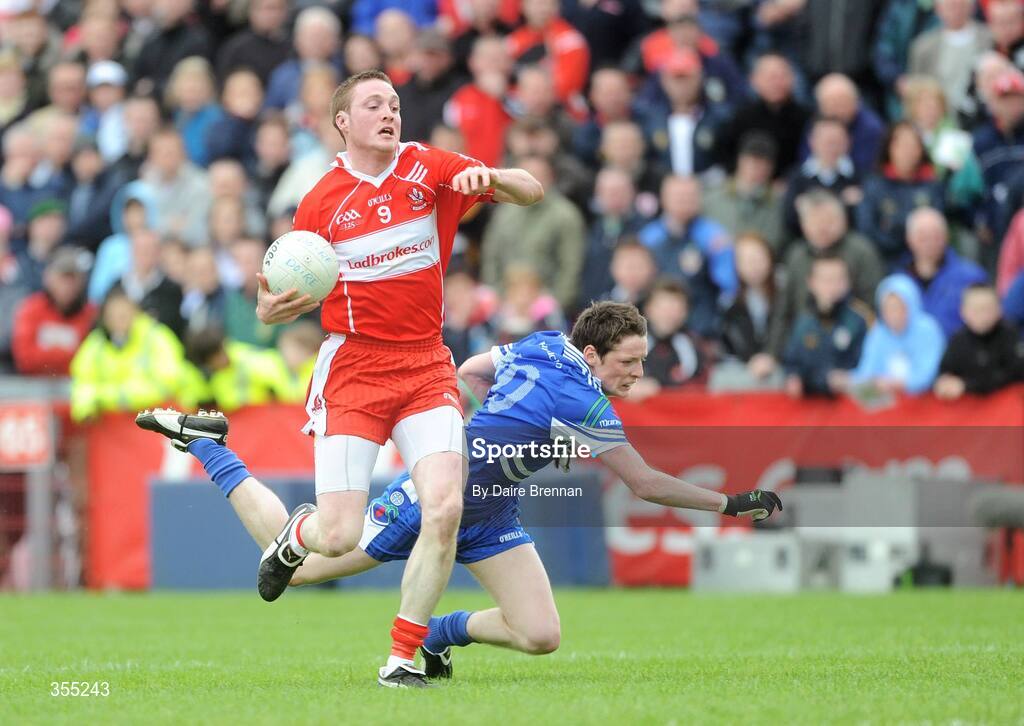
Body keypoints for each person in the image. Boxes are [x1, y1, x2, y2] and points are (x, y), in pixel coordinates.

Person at [136, 301, 782, 681]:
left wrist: (500, 433)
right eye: (627, 364)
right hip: (436, 498)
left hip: (490, 510)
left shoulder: (548, 344)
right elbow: (644, 483)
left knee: (541, 635)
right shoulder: (583, 400)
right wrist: (730, 504)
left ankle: (440, 633)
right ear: (591, 356)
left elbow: (473, 369)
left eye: (641, 363)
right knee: (298, 569)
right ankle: (208, 445)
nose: (637, 375)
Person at [252, 69, 543, 688]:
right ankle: (294, 536)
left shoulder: (429, 166)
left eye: (395, 103)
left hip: (424, 367)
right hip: (354, 369)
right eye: (374, 104)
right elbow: (284, 288)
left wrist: (489, 177)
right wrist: (270, 308)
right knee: (338, 536)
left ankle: (401, 659)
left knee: (443, 508)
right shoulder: (321, 200)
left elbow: (532, 188)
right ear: (343, 122)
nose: (390, 113)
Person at [69, 286, 186, 422]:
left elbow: (167, 384)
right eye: (111, 316)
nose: (117, 321)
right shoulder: (96, 343)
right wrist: (85, 409)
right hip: (110, 428)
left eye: (123, 315)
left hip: (154, 426)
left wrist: (105, 396)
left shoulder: (157, 338)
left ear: (135, 313)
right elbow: (81, 381)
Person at [855, 121, 946, 267]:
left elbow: (936, 226)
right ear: (889, 148)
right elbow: (867, 229)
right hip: (885, 260)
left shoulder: (932, 185)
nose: (907, 151)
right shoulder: (873, 185)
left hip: (927, 261)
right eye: (901, 145)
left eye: (913, 145)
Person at [782, 255, 870, 398]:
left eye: (838, 279)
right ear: (811, 283)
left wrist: (849, 377)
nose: (832, 286)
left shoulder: (858, 320)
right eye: (825, 280)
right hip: (810, 408)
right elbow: (791, 361)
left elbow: (868, 367)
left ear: (848, 283)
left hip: (848, 406)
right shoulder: (804, 322)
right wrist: (793, 376)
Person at [847, 273, 946, 396]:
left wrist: (895, 384)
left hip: (923, 401)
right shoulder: (879, 332)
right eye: (888, 309)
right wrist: (848, 380)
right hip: (885, 402)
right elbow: (866, 371)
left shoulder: (928, 330)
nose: (894, 315)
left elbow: (927, 374)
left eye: (899, 308)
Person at [901, 207, 987, 338]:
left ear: (946, 237)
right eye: (923, 237)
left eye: (936, 236)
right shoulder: (899, 283)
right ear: (909, 239)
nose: (930, 243)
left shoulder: (971, 277)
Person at [11, 246, 97, 376]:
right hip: (33, 390)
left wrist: (48, 354)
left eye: (72, 279)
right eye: (62, 278)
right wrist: (69, 355)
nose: (67, 286)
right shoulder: (31, 308)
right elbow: (25, 359)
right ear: (48, 277)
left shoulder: (90, 314)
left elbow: (92, 362)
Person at [934, 284, 1024, 399]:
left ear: (999, 309)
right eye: (975, 310)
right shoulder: (958, 339)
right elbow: (946, 371)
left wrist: (967, 385)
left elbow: (1015, 373)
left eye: (987, 309)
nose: (982, 316)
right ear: (963, 312)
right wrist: (944, 383)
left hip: (1004, 404)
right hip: (970, 409)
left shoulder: (1011, 335)